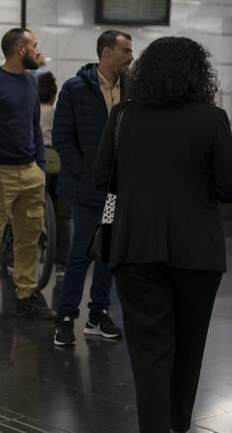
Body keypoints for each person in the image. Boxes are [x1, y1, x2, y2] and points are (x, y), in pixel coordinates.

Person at [93, 37, 232, 433]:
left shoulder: (123, 115)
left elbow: (101, 178)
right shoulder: (211, 119)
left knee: (149, 352)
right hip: (197, 252)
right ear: (198, 74)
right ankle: (179, 425)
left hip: (135, 248)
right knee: (189, 346)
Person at [0, 28, 55, 327]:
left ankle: (26, 295)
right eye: (34, 46)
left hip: (30, 171)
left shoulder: (30, 82)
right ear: (20, 49)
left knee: (29, 239)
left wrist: (39, 167)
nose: (37, 51)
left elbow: (33, 127)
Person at [52, 30, 133, 348]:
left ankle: (97, 313)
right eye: (125, 50)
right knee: (80, 253)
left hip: (117, 190)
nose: (130, 56)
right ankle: (66, 318)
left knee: (108, 252)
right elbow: (62, 137)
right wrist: (86, 174)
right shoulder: (75, 88)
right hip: (87, 188)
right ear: (107, 52)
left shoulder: (132, 88)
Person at [37, 71, 70, 278]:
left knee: (28, 210)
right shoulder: (57, 113)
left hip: (36, 162)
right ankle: (61, 263)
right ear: (54, 96)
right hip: (58, 162)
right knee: (63, 215)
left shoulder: (30, 112)